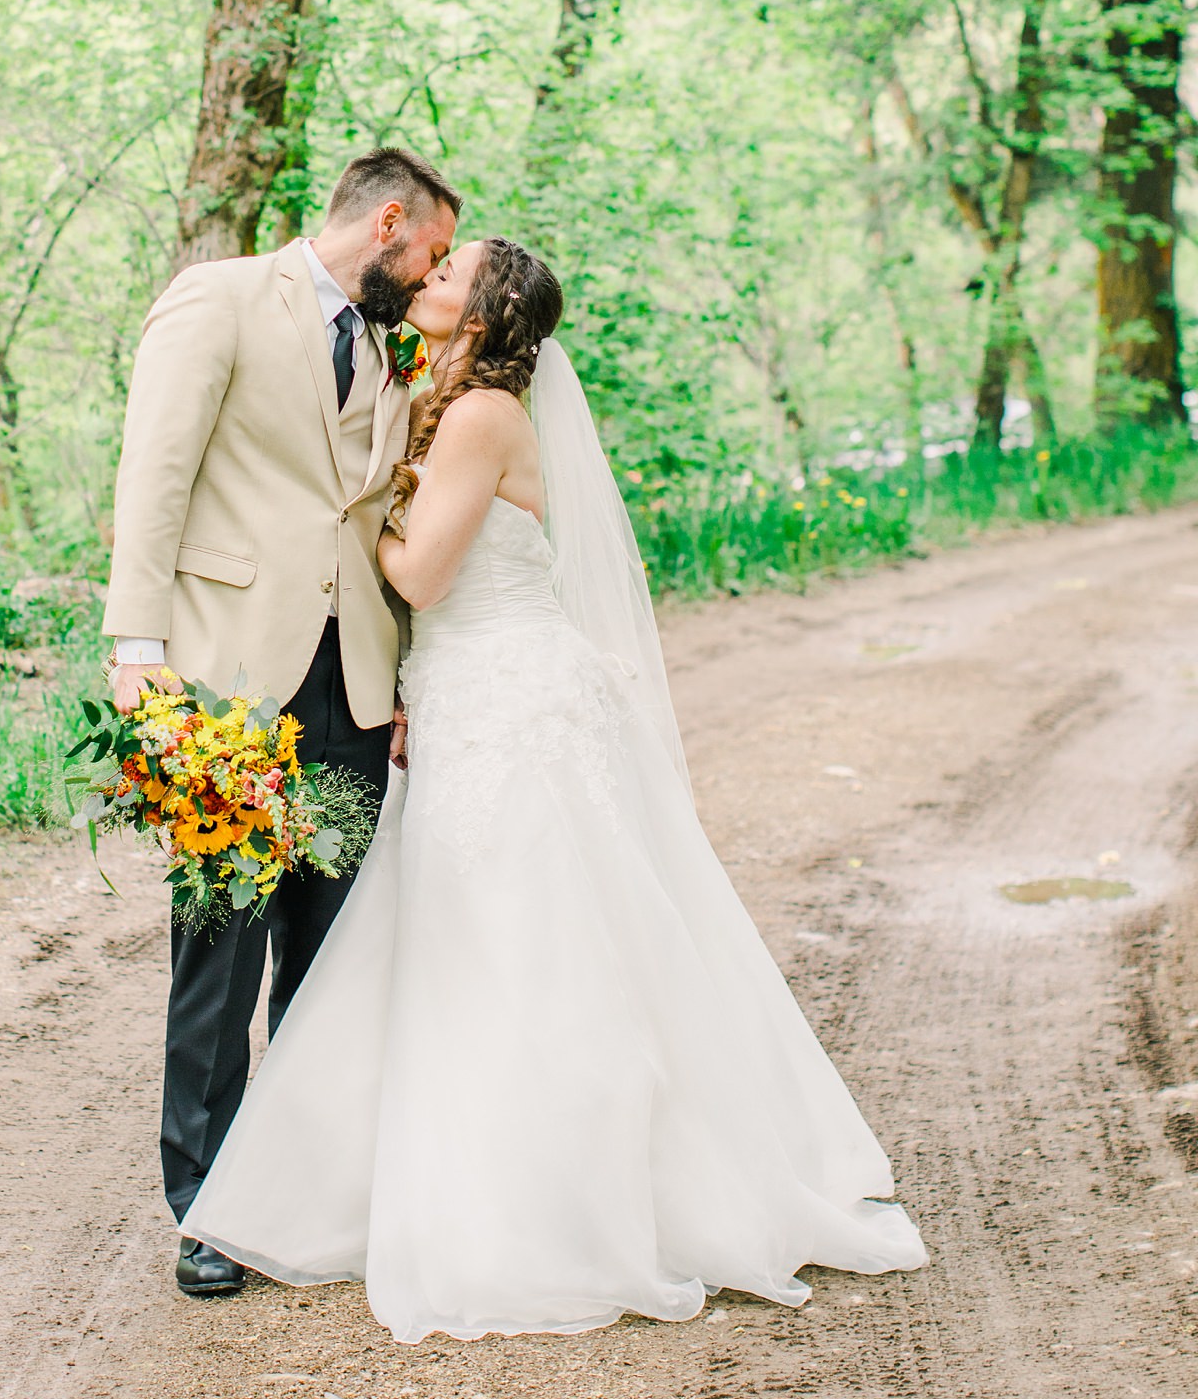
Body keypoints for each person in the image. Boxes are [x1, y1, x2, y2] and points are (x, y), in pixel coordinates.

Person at [185, 236, 928, 1342]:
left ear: (481, 313)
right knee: (471, 938)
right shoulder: (445, 396)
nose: (427, 275)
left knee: (522, 940)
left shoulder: (481, 414)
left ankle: (559, 1202)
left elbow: (422, 573)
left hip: (509, 696)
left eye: (451, 271)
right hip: (466, 683)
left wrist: (342, 509)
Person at [101, 148, 459, 1296]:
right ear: (388, 222)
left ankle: (294, 1188)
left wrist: (402, 673)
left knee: (324, 948)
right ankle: (204, 1202)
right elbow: (154, 470)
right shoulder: (220, 298)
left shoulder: (393, 339)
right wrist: (136, 648)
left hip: (352, 678)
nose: (437, 273)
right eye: (436, 253)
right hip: (227, 680)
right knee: (221, 944)